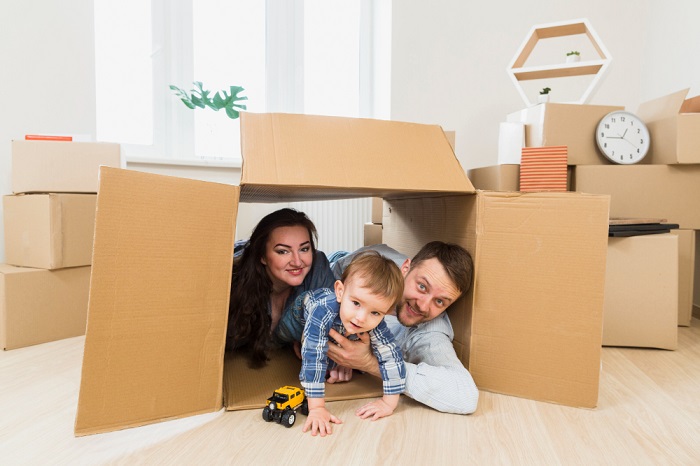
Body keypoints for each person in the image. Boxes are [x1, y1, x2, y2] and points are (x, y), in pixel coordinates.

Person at [325, 241, 479, 415]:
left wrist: (369, 363)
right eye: (422, 287)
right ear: (405, 268)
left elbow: (466, 397)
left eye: (440, 301)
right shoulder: (375, 261)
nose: (423, 305)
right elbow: (322, 282)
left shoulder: (430, 331)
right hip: (337, 259)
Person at [275, 250, 406, 436]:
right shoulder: (323, 312)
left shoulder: (374, 321)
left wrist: (388, 403)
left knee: (344, 341)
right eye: (356, 303)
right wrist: (317, 407)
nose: (361, 318)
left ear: (386, 312)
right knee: (279, 338)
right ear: (340, 291)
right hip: (300, 314)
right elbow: (314, 354)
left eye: (375, 312)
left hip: (338, 324)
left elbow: (392, 356)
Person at [225, 208, 336, 367]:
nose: (297, 262)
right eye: (283, 251)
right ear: (262, 256)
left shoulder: (318, 267)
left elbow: (337, 326)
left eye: (304, 249)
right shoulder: (233, 284)